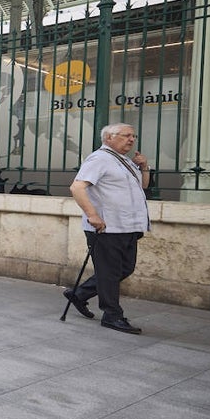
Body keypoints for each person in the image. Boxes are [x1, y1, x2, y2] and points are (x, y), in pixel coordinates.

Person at [65, 123, 150, 335]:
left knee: (124, 268)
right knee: (110, 272)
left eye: (133, 136)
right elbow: (77, 187)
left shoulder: (124, 161)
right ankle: (112, 315)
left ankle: (80, 293)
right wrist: (93, 215)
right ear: (109, 137)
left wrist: (144, 167)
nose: (131, 139)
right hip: (106, 227)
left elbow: (143, 188)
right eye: (126, 135)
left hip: (127, 226)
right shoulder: (99, 159)